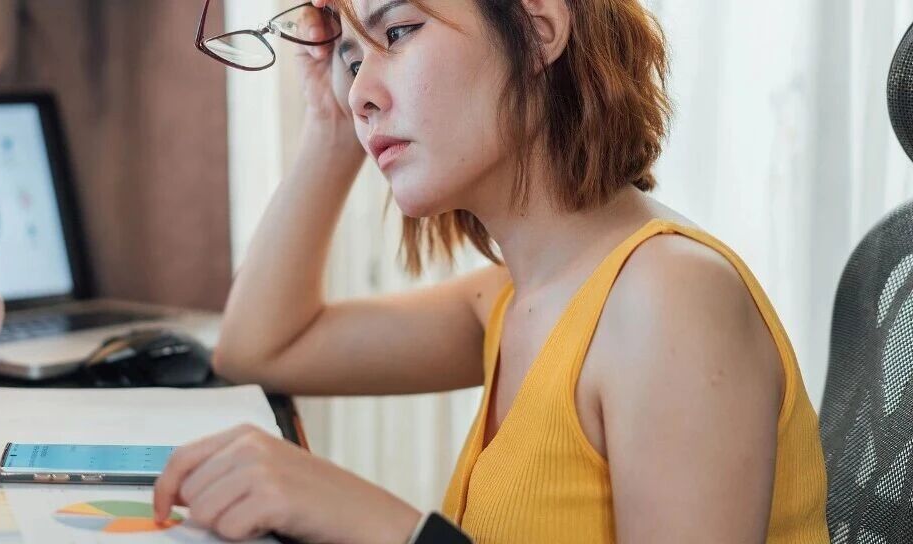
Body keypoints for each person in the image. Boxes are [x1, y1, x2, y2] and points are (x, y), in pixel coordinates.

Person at [154, 0, 830, 542]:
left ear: (538, 29)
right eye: (351, 61)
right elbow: (260, 347)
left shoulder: (671, 299)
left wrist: (390, 528)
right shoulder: (512, 297)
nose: (360, 91)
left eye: (399, 31)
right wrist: (331, 127)